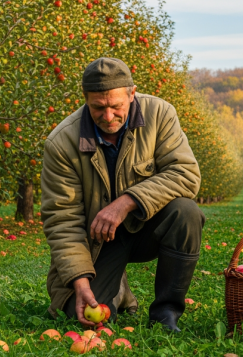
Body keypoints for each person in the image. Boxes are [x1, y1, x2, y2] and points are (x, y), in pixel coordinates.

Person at [41, 57, 204, 332]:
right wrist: (80, 282)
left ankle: (166, 313)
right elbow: (62, 221)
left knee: (186, 212)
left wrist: (126, 202)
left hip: (146, 226)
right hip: (98, 242)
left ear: (132, 93)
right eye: (98, 107)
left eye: (116, 106)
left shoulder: (159, 114)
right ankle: (116, 288)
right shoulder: (62, 143)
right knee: (79, 318)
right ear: (85, 99)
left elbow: (185, 173)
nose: (108, 117)